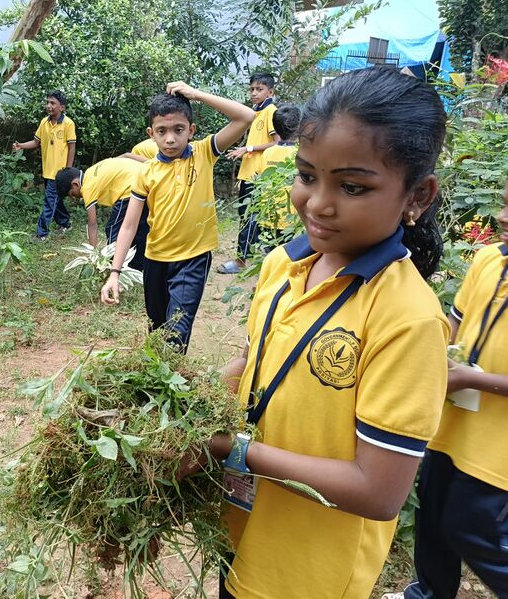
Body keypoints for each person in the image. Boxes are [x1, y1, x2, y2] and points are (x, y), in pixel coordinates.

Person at [178, 67, 450, 598]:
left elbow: (378, 492)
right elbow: (255, 362)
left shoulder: (408, 318)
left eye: (352, 187)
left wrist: (230, 449)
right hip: (241, 531)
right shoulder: (283, 264)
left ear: (417, 196)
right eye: (307, 176)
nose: (318, 203)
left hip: (310, 572)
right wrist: (184, 407)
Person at [402, 181, 508, 599]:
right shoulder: (489, 259)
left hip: (496, 447)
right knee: (431, 519)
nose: (503, 217)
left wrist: (470, 379)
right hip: (451, 427)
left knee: (470, 527)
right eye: (505, 203)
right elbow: (456, 325)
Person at [100, 82, 255, 352]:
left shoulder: (204, 153)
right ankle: (157, 375)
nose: (170, 138)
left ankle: (174, 373)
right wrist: (114, 272)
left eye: (178, 130)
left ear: (191, 130)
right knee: (157, 329)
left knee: (176, 334)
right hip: (155, 259)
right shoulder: (146, 171)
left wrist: (197, 95)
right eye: (162, 131)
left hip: (193, 259)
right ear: (151, 134)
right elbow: (129, 225)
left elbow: (246, 116)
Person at [218, 72, 279, 274]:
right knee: (248, 216)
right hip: (249, 174)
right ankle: (261, 258)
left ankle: (242, 261)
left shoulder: (271, 112)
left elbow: (277, 142)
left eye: (259, 89)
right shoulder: (255, 112)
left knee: (250, 217)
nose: (254, 93)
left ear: (270, 92)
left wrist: (248, 149)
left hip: (259, 176)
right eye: (252, 89)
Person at [55, 157, 149, 271]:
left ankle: (113, 266)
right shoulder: (90, 172)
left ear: (75, 184)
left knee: (113, 229)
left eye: (72, 194)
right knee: (141, 229)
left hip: (130, 189)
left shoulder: (87, 187)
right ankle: (136, 266)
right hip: (145, 181)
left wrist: (92, 255)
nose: (74, 198)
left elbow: (92, 224)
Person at [12, 90, 76, 240]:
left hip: (60, 173)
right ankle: (65, 223)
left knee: (49, 202)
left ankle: (41, 234)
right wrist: (21, 146)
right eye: (48, 102)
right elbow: (36, 142)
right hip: (47, 170)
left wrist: (68, 170)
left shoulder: (68, 124)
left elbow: (71, 147)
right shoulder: (44, 122)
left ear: (62, 107)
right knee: (55, 200)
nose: (49, 106)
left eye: (53, 103)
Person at [250, 104, 301, 250]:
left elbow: (257, 180)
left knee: (271, 255)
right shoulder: (300, 153)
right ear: (299, 128)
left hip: (268, 217)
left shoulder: (268, 153)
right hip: (292, 221)